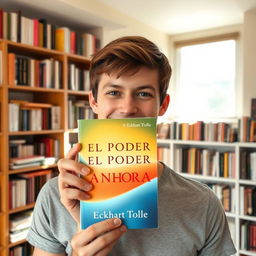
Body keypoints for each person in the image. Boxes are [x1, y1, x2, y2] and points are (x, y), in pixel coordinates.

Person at [27, 36, 236, 256]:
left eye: (143, 94)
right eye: (114, 92)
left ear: (162, 106)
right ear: (94, 101)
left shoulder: (203, 202)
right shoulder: (56, 195)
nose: (127, 108)